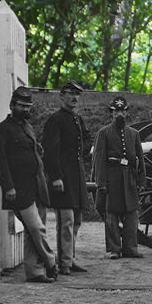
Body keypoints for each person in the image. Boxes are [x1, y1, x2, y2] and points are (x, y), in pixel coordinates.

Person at [0, 86, 58, 283]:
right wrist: (8, 186)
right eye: (21, 106)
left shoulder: (28, 128)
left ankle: (34, 272)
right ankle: (51, 262)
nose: (25, 110)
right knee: (36, 228)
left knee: (31, 231)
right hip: (19, 189)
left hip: (37, 185)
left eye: (28, 106)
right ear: (12, 106)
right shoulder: (1, 130)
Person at [42, 81, 92, 275]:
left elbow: (85, 141)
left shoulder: (77, 119)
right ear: (61, 96)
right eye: (70, 94)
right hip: (62, 176)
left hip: (76, 175)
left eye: (77, 95)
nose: (74, 98)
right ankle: (63, 263)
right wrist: (55, 176)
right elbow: (50, 151)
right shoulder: (56, 119)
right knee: (66, 221)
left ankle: (70, 259)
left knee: (77, 220)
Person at [92, 96, 146, 259]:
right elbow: (99, 159)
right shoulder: (103, 133)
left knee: (131, 215)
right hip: (112, 177)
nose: (119, 115)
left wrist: (141, 180)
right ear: (112, 113)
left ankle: (130, 248)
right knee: (112, 216)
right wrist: (101, 182)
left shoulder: (134, 134)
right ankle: (115, 249)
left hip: (129, 177)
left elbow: (140, 158)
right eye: (116, 112)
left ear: (126, 112)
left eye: (122, 111)